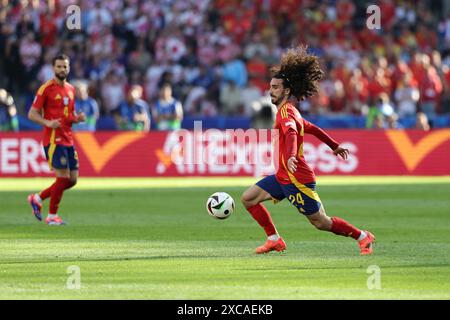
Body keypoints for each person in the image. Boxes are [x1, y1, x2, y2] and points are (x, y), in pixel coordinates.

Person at [240, 46, 375, 255]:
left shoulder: (285, 113)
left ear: (286, 91)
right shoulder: (290, 110)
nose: (270, 90)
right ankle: (274, 239)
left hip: (297, 179)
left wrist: (292, 155)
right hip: (283, 176)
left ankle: (362, 236)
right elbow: (311, 128)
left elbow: (292, 132)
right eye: (270, 86)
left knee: (321, 222)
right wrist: (334, 146)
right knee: (248, 199)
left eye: (275, 87)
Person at [27, 54, 86, 225]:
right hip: (53, 139)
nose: (62, 69)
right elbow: (32, 114)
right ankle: (52, 216)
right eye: (59, 66)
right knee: (63, 177)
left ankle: (37, 198)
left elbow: (68, 116)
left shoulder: (71, 89)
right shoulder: (46, 88)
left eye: (65, 66)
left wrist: (77, 118)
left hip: (68, 138)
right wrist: (47, 122)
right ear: (53, 68)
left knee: (72, 180)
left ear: (69, 68)